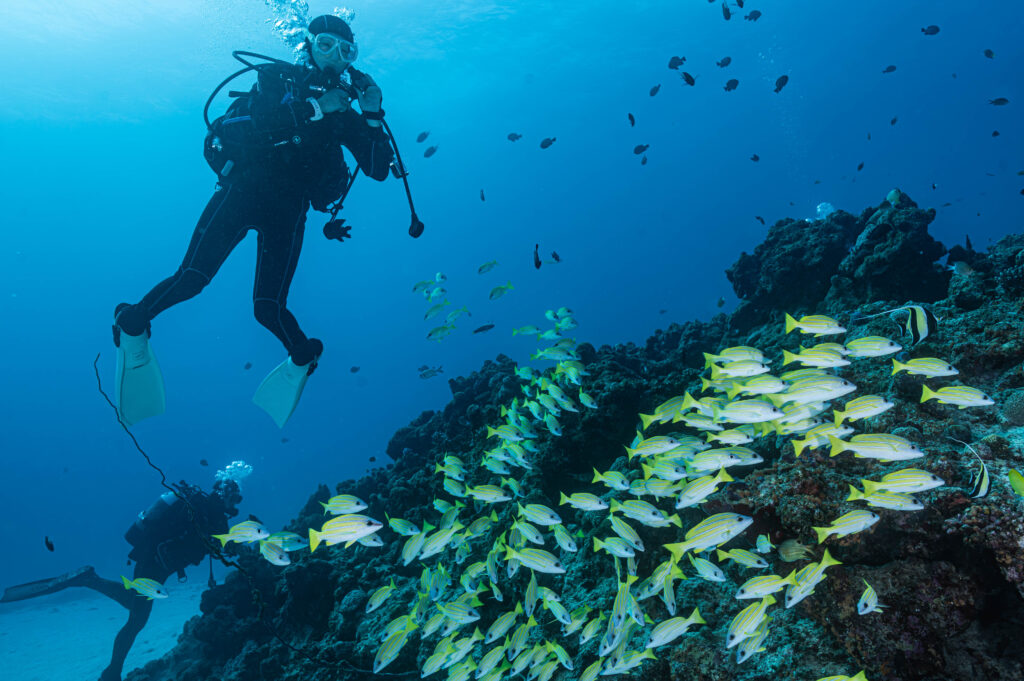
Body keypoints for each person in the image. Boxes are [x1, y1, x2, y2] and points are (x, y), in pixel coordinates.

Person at [113, 14, 394, 428]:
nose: (335, 57)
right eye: (326, 45)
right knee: (192, 278)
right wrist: (316, 107)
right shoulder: (277, 78)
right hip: (241, 194)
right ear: (309, 44)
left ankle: (302, 354)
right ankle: (132, 322)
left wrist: (370, 116)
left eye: (346, 50)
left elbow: (376, 168)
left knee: (267, 308)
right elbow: (257, 124)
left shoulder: (344, 113)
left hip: (290, 211)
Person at [0, 479, 241, 681]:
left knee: (136, 615)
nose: (235, 504)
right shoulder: (202, 508)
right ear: (224, 494)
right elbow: (203, 540)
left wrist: (229, 546)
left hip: (159, 564)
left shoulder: (210, 512)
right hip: (153, 562)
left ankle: (112, 671)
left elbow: (209, 543)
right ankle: (90, 582)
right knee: (136, 618)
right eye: (235, 498)